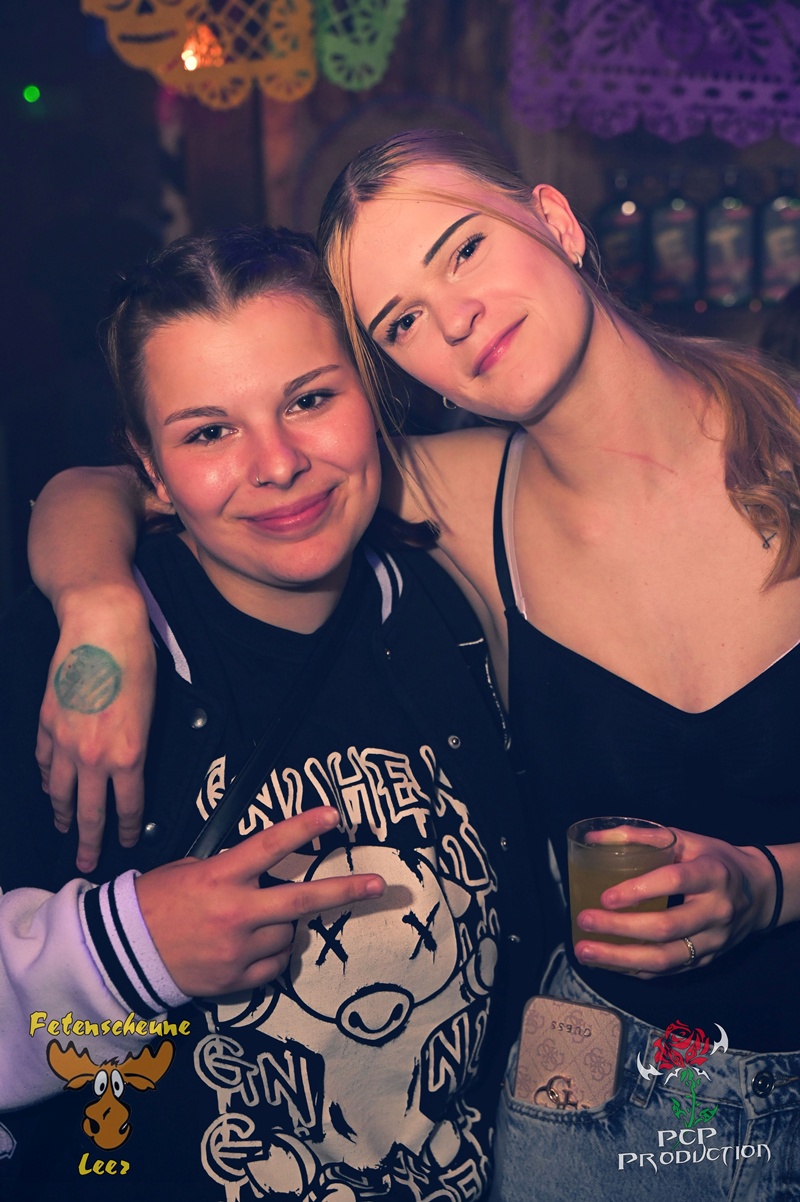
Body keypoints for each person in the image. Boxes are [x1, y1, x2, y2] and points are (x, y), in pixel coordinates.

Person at [28, 132, 800, 1198]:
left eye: (464, 248)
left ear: (555, 219)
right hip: (594, 1090)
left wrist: (769, 885)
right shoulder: (449, 498)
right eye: (398, 320)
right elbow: (119, 479)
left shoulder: (783, 439)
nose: (455, 318)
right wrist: (98, 603)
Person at [2, 226, 540, 1201]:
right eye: (208, 432)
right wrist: (128, 950)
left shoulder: (453, 612)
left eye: (309, 400)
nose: (278, 462)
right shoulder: (69, 670)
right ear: (150, 471)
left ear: (372, 397)